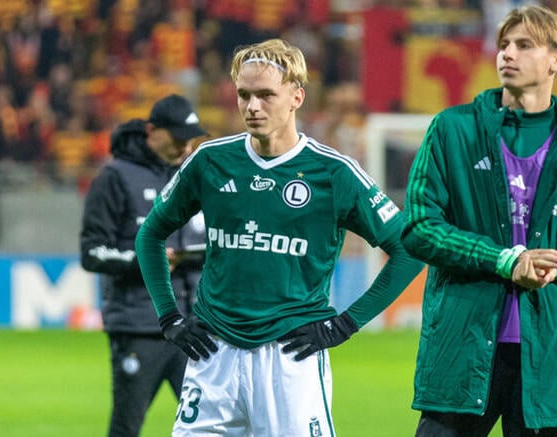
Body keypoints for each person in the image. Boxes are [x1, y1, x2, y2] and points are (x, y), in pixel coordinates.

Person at [134, 38, 424, 436]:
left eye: (266, 95)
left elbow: (409, 250)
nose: (252, 107)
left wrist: (344, 325)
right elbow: (150, 234)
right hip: (212, 352)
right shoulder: (210, 161)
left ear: (296, 96)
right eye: (244, 95)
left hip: (290, 358)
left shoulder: (332, 173)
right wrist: (169, 317)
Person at [401, 5, 557, 436]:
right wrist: (503, 259)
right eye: (504, 45)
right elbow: (418, 227)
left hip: (546, 360)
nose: (507, 54)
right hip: (462, 350)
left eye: (524, 45)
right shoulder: (453, 130)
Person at [79, 94, 209, 437]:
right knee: (127, 427)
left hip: (194, 327)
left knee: (215, 425)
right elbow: (92, 252)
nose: (185, 147)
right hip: (139, 326)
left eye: (191, 140)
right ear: (152, 131)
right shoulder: (115, 178)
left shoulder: (192, 174)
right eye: (178, 138)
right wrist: (146, 260)